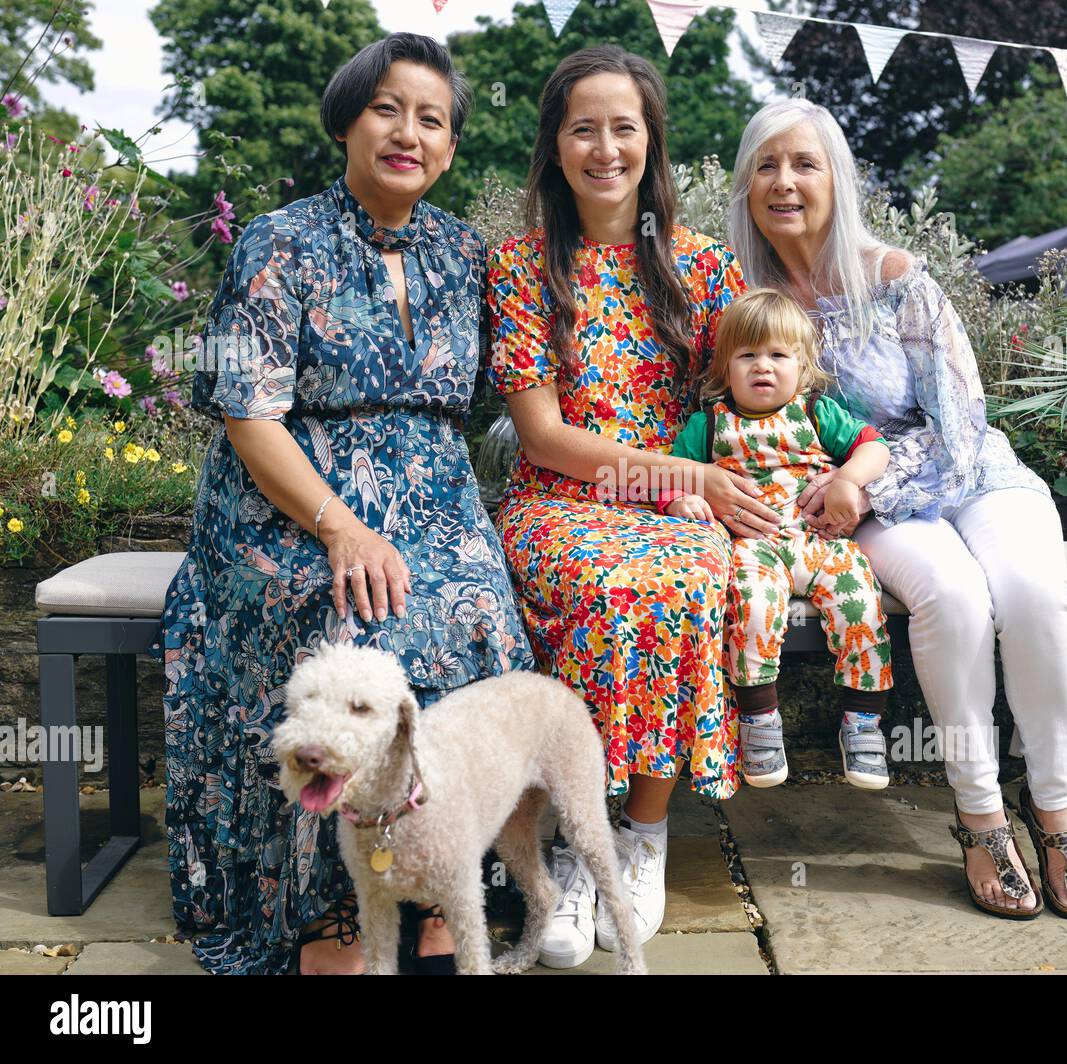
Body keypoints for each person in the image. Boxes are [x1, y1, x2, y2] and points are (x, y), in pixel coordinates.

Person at [147, 33, 534, 975]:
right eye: (387, 108)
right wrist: (341, 525)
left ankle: (442, 883)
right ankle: (326, 912)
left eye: (431, 119)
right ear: (348, 120)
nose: (409, 132)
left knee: (475, 612)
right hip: (288, 502)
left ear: (450, 147)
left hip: (431, 496)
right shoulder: (277, 243)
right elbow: (246, 414)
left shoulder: (463, 253)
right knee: (344, 620)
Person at [729, 98, 1067, 919]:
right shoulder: (742, 297)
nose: (784, 182)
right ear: (745, 185)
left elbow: (963, 426)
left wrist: (867, 481)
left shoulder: (896, 281)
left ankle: (1059, 809)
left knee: (1036, 593)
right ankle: (978, 817)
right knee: (954, 598)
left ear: (838, 180)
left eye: (805, 164)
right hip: (854, 507)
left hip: (966, 477)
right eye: (766, 165)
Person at [486, 45, 772, 968]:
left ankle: (642, 839)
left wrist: (712, 484)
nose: (605, 148)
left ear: (651, 142)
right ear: (555, 147)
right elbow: (542, 437)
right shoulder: (523, 266)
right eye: (584, 129)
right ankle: (578, 845)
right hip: (560, 502)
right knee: (607, 586)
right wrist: (679, 479)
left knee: (681, 581)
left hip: (681, 507)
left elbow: (744, 397)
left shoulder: (703, 268)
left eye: (624, 127)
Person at [657, 288, 894, 791]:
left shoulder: (816, 414)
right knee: (750, 605)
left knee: (862, 605)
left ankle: (863, 723)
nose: (763, 367)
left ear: (803, 367)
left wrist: (849, 480)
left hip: (821, 539)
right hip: (754, 546)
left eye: (778, 355)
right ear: (724, 368)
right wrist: (681, 501)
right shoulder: (709, 424)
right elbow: (675, 475)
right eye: (747, 356)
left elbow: (875, 447)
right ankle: (759, 721)